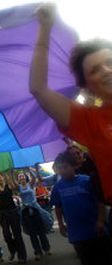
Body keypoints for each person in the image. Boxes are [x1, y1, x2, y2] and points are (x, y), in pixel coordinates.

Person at [29, 3, 112, 204]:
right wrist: (45, 28)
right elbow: (38, 88)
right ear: (87, 87)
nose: (106, 70)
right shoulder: (90, 120)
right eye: (94, 70)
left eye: (109, 62)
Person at [50, 151, 112, 265]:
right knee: (86, 259)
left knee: (104, 258)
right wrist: (61, 224)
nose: (63, 171)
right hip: (77, 234)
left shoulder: (87, 181)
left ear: (74, 166)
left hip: (96, 230)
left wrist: (101, 220)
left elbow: (100, 202)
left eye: (65, 167)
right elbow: (57, 207)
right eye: (60, 168)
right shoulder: (57, 187)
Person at [10, 172, 52, 261]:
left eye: (22, 176)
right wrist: (11, 172)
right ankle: (37, 252)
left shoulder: (31, 184)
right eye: (19, 176)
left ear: (25, 177)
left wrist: (28, 169)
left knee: (41, 230)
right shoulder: (19, 187)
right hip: (25, 211)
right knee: (32, 233)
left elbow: (33, 177)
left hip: (35, 209)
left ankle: (46, 249)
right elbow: (13, 182)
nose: (21, 177)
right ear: (18, 179)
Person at [0, 174, 27, 264]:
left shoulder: (9, 186)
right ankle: (12, 250)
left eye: (0, 177)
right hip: (3, 213)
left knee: (17, 234)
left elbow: (14, 185)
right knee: (6, 234)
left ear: (3, 178)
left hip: (12, 211)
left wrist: (8, 175)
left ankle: (22, 256)